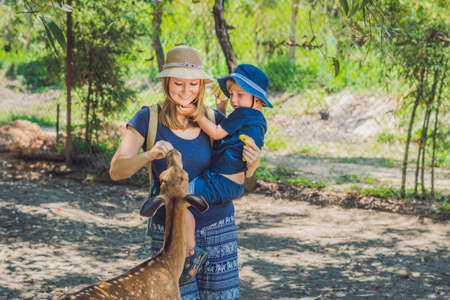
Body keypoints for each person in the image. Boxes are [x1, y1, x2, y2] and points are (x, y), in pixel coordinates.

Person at [109, 45, 261, 300]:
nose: (186, 91)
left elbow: (241, 179)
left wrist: (253, 164)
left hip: (218, 228)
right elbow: (116, 170)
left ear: (201, 85)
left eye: (193, 84)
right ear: (166, 82)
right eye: (178, 83)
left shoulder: (215, 119)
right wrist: (149, 154)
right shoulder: (148, 118)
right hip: (170, 236)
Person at [181, 64, 272, 284]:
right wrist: (220, 108)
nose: (234, 100)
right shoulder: (258, 121)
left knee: (180, 198)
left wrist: (196, 113)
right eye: (231, 94)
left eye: (240, 95)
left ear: (257, 100)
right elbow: (230, 137)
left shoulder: (243, 113)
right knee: (188, 199)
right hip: (233, 184)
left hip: (220, 181)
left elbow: (217, 132)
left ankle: (191, 254)